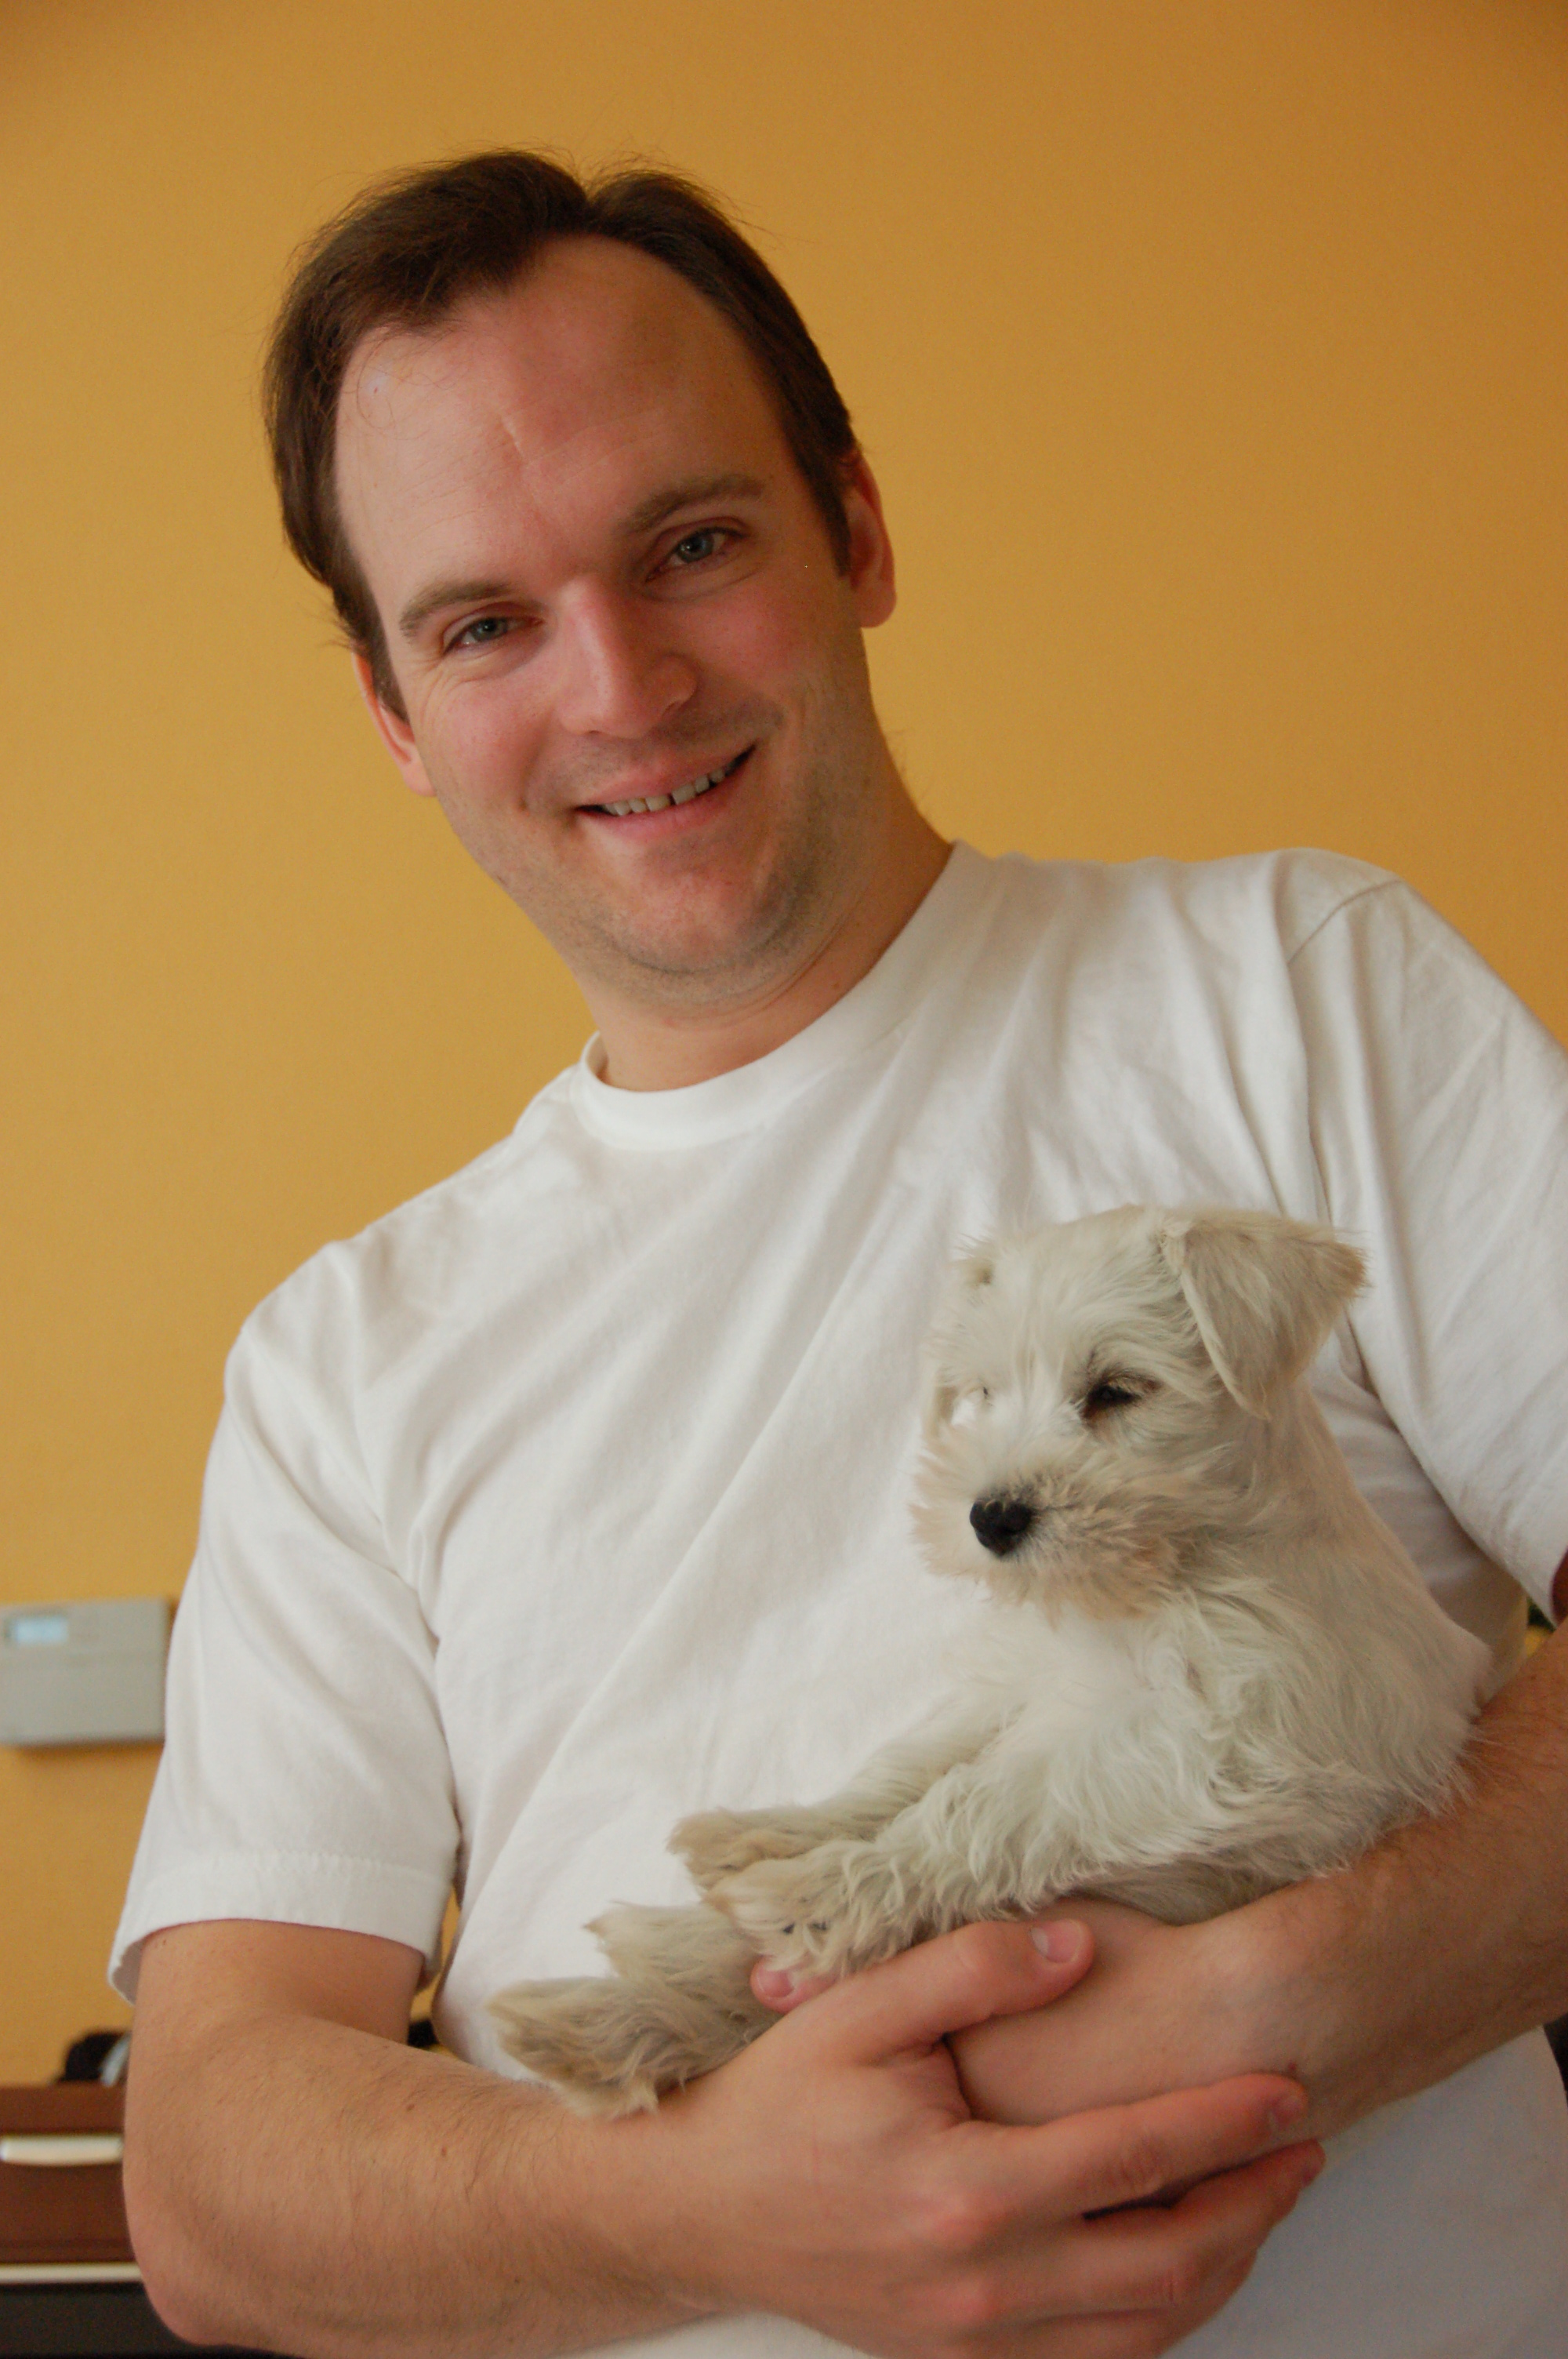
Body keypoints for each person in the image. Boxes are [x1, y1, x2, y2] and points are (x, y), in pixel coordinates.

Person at [114, 152, 1568, 2359]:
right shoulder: (340, 1362)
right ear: (397, 717)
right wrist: (697, 2218)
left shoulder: (1295, 990)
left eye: (691, 546)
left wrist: (1274, 2005)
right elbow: (215, 2184)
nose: (622, 687)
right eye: (485, 624)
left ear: (858, 533)